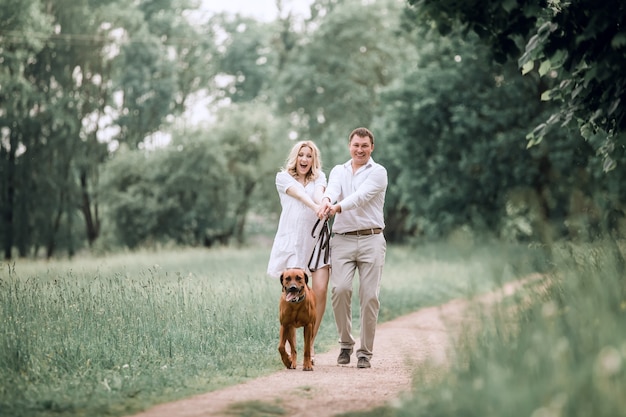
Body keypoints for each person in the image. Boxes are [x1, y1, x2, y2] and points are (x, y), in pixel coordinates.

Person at [316, 127, 388, 369]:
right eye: (356, 145)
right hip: (343, 239)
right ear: (350, 146)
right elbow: (333, 191)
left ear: (372, 147)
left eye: (364, 145)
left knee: (369, 297)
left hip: (372, 239)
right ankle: (345, 343)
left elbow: (361, 197)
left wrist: (335, 208)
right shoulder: (338, 170)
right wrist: (326, 201)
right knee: (340, 289)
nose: (360, 149)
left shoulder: (378, 172)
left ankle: (365, 352)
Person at [267, 140, 330, 360]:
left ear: (314, 159)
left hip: (316, 240)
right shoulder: (282, 177)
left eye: (309, 156)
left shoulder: (320, 177)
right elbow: (301, 196)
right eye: (301, 155)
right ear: (295, 157)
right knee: (293, 295)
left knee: (319, 290)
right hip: (293, 241)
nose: (305, 160)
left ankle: (309, 346)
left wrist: (323, 203)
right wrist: (315, 207)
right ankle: (292, 352)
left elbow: (318, 194)